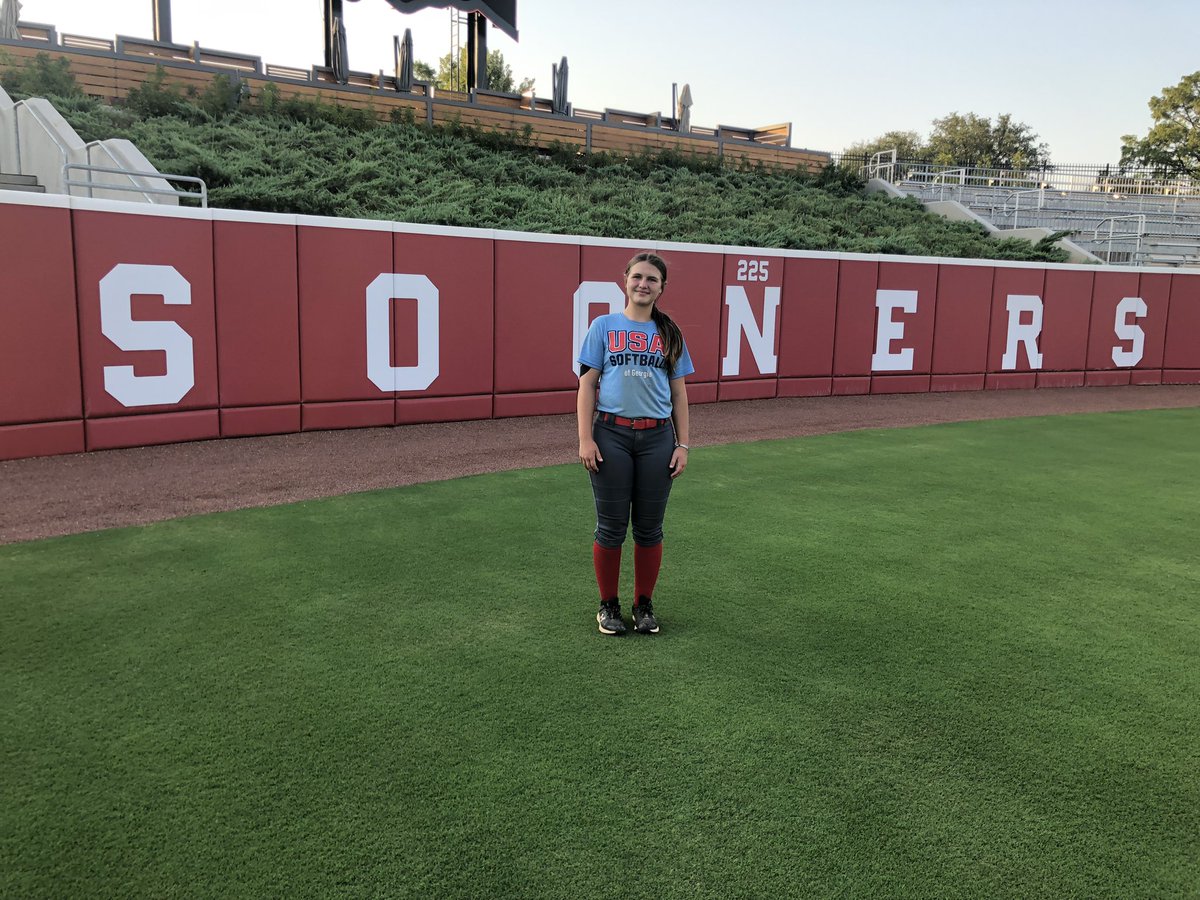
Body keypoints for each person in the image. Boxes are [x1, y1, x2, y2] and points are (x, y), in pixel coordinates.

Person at [576, 252, 694, 635]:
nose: (643, 284)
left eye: (652, 280)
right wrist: (585, 439)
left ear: (662, 288)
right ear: (625, 279)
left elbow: (679, 395)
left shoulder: (669, 333)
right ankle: (607, 605)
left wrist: (683, 444)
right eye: (638, 277)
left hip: (658, 438)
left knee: (649, 529)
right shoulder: (603, 326)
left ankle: (643, 605)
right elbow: (587, 385)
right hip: (611, 435)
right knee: (610, 528)